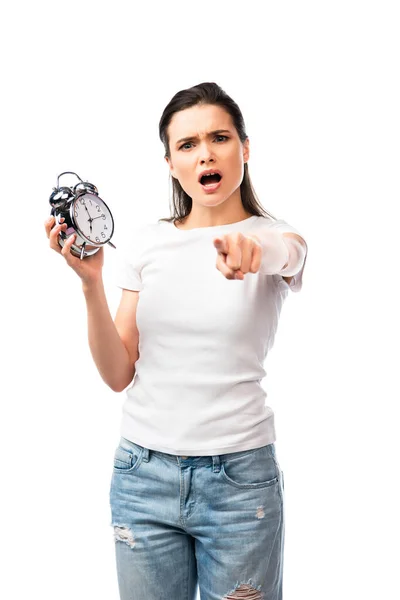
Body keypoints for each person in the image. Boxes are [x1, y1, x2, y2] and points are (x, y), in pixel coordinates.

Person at [44, 81, 308, 600]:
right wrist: (91, 284)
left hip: (240, 484)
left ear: (244, 148)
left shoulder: (276, 235)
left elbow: (288, 254)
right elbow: (119, 373)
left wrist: (253, 252)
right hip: (142, 476)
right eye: (187, 145)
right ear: (170, 163)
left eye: (220, 138)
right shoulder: (146, 243)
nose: (205, 153)